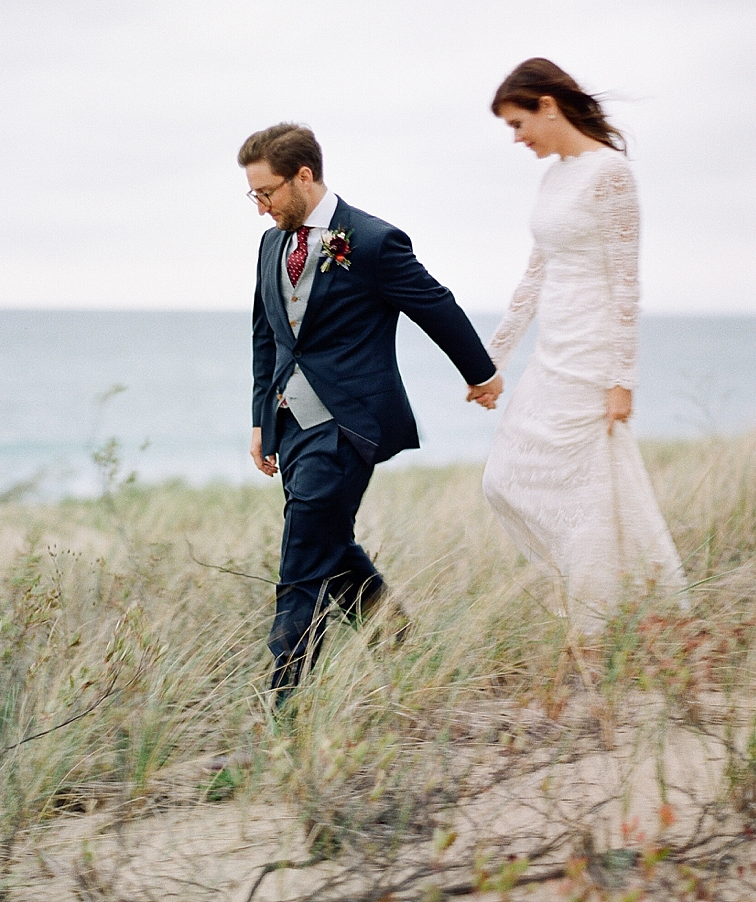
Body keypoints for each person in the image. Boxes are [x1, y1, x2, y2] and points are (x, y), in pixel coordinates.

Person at [241, 123, 502, 706]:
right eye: (253, 196)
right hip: (291, 422)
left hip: (349, 423)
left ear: (304, 176)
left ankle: (286, 706)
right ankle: (400, 643)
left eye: (268, 193)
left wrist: (480, 374)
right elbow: (267, 335)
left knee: (302, 557)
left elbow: (435, 305)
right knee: (328, 543)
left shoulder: (374, 241)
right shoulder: (270, 244)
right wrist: (261, 417)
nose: (261, 207)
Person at [479, 59, 685, 632]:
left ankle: (597, 627)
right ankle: (603, 602)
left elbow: (626, 284)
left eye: (519, 124)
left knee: (588, 491)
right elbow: (533, 277)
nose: (517, 139)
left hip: (593, 353)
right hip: (553, 348)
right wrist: (492, 361)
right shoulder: (553, 177)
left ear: (549, 104)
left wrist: (623, 380)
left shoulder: (610, 174)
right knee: (504, 479)